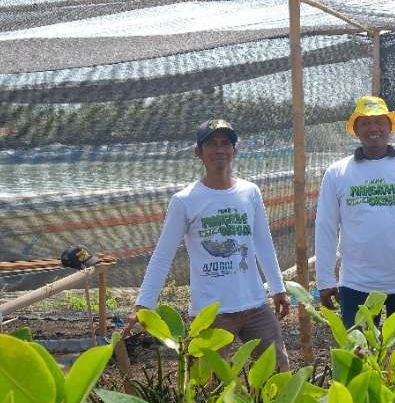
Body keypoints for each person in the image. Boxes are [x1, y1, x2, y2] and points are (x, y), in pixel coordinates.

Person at [123, 119, 291, 369]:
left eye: (226, 143)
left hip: (256, 305)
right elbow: (163, 255)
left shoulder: (250, 192)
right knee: (207, 386)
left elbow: (263, 242)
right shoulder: (185, 200)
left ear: (235, 150)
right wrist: (143, 305)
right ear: (198, 152)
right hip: (212, 313)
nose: (219, 149)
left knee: (279, 370)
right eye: (211, 143)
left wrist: (278, 288)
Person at [315, 95, 395, 343]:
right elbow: (326, 228)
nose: (373, 128)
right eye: (365, 123)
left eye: (380, 122)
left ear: (390, 126)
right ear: (356, 129)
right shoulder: (338, 173)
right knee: (358, 361)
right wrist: (325, 279)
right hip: (357, 283)